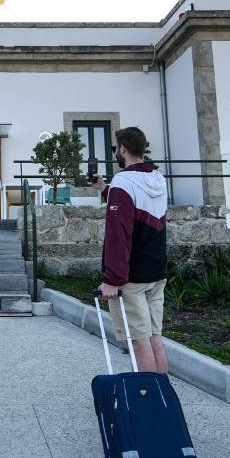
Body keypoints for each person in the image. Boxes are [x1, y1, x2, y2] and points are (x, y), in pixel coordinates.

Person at [92, 126, 170, 375]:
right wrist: (105, 190)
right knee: (154, 336)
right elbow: (141, 210)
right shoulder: (157, 179)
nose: (116, 151)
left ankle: (147, 402)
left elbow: (119, 235)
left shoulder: (123, 183)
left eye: (116, 148)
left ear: (123, 149)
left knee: (139, 341)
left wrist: (112, 281)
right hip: (157, 271)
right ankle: (162, 397)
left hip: (132, 277)